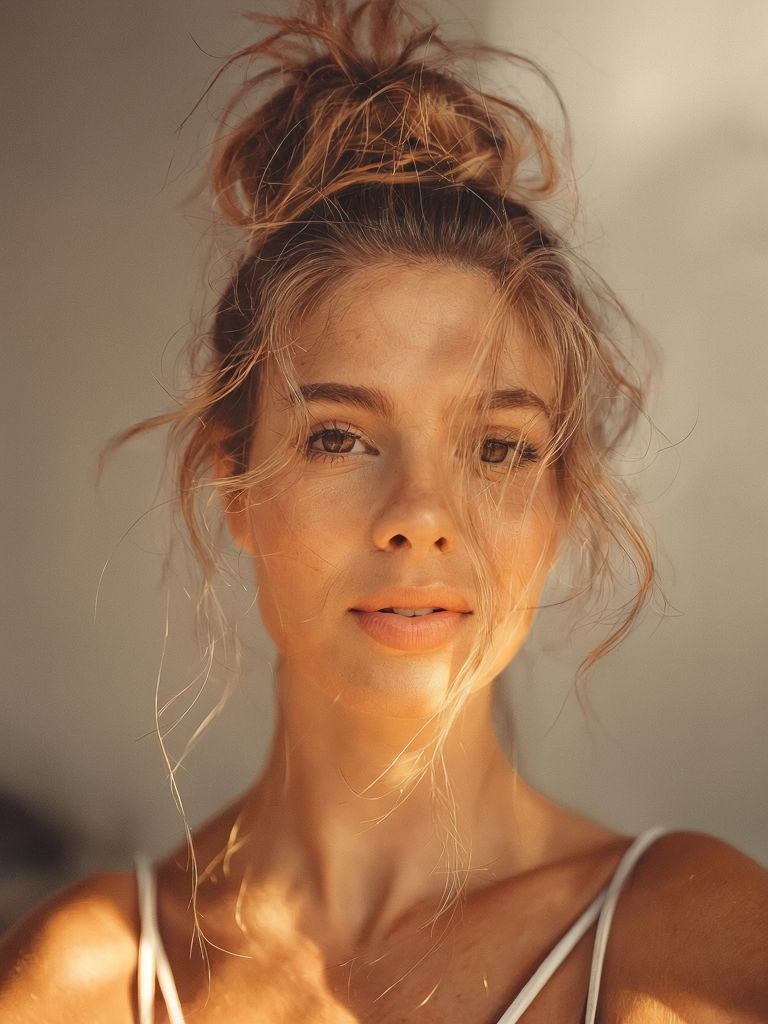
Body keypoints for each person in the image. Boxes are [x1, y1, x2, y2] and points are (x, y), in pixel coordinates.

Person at [1, 1, 766, 1020]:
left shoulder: (696, 945)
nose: (419, 515)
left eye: (498, 447)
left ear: (561, 503)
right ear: (235, 480)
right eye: (341, 437)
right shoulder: (85, 982)